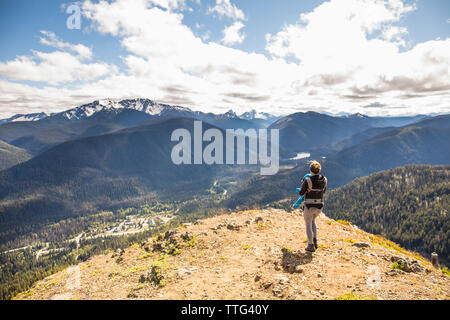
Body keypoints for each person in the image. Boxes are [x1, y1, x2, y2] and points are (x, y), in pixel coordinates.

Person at [298, 160, 328, 252]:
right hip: (319, 206)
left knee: (308, 224)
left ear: (310, 170)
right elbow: (324, 191)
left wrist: (304, 184)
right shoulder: (324, 180)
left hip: (309, 206)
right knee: (313, 222)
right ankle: (315, 241)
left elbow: (301, 193)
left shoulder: (308, 180)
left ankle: (310, 245)